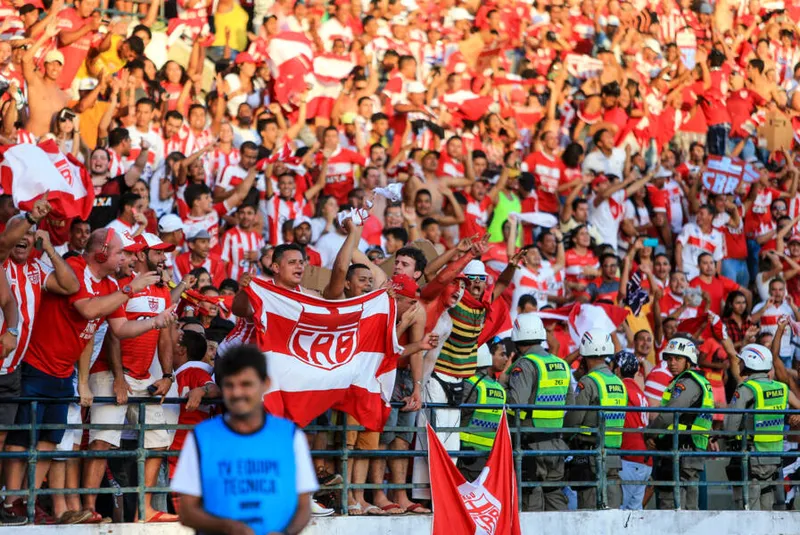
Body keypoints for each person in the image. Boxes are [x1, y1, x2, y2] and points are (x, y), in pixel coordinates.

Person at [172, 345, 316, 535]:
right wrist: (228, 528)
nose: (238, 393)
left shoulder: (290, 436)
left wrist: (285, 533)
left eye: (246, 384)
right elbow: (187, 512)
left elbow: (304, 507)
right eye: (230, 385)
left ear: (265, 384)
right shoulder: (201, 437)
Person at [506, 312, 572, 511]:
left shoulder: (526, 364)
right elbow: (570, 403)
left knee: (530, 499)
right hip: (557, 443)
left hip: (531, 444)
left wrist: (503, 392)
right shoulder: (561, 364)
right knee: (554, 496)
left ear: (517, 338)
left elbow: (516, 404)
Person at [647, 336, 714, 510]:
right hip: (688, 449)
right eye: (669, 358)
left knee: (672, 506)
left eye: (678, 358)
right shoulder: (698, 381)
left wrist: (649, 433)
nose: (672, 363)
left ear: (689, 361)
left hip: (682, 449)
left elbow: (668, 415)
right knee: (688, 507)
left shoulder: (688, 382)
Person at [564, 328, 626, 510]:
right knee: (612, 516)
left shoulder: (588, 382)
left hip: (590, 458)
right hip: (613, 457)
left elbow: (573, 420)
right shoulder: (618, 383)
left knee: (590, 513)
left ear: (584, 354)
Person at [724, 344, 788, 511]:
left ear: (751, 363)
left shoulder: (746, 389)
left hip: (750, 457)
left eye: (742, 361)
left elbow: (730, 427)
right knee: (766, 509)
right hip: (774, 457)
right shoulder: (780, 388)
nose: (739, 364)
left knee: (748, 511)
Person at [458, 340, 508, 481]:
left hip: (466, 454)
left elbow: (455, 415)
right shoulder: (499, 388)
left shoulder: (471, 384)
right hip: (488, 457)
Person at [614, 351, 652, 510]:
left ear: (617, 369)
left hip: (629, 458)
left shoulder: (621, 388)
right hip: (645, 460)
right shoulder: (639, 391)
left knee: (619, 512)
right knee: (635, 515)